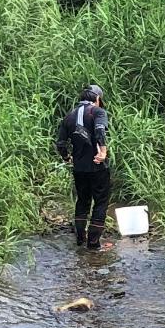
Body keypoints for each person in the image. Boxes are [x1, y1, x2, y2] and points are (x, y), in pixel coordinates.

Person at [57, 85, 112, 250]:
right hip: (97, 166)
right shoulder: (97, 112)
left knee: (82, 200)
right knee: (101, 202)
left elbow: (60, 143)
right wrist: (102, 151)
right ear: (97, 99)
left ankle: (81, 239)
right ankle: (94, 243)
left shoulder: (69, 116)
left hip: (79, 168)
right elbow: (100, 130)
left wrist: (67, 157)